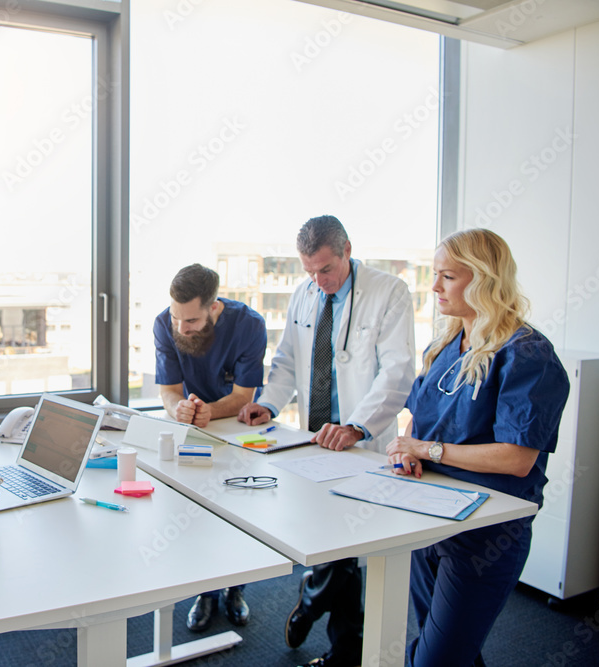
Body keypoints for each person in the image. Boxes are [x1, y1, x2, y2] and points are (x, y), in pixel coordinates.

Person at [238, 215, 415, 667]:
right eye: (309, 271)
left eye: (326, 270)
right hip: (313, 440)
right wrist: (270, 405)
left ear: (347, 250)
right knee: (331, 538)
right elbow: (286, 361)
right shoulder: (305, 293)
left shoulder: (388, 292)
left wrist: (356, 425)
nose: (318, 280)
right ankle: (321, 607)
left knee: (352, 544)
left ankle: (337, 639)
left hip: (362, 442)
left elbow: (396, 373)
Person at [386, 228, 568, 666]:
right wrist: (404, 451)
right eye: (435, 275)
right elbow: (418, 421)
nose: (434, 287)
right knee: (451, 651)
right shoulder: (446, 345)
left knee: (436, 659)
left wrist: (427, 450)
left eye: (447, 276)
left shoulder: (527, 353)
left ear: (485, 278)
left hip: (486, 534)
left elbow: (516, 458)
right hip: (429, 517)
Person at [153, 263, 267, 631]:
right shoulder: (163, 324)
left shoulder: (249, 325)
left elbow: (243, 396)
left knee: (238, 512)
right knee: (195, 512)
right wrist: (180, 410)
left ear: (214, 309)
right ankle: (205, 592)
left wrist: (211, 412)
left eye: (190, 321)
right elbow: (169, 393)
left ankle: (236, 588)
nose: (181, 328)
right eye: (176, 318)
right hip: (192, 429)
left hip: (236, 429)